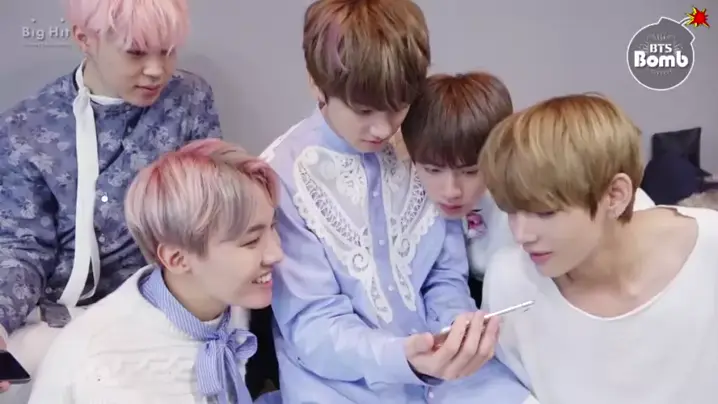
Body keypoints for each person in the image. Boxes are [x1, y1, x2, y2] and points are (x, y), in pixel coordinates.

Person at [261, 1, 535, 402]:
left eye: (399, 107)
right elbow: (312, 324)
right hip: (341, 386)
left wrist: (456, 333)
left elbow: (444, 274)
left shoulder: (419, 144)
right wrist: (403, 358)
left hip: (448, 374)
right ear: (316, 84)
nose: (383, 128)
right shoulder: (281, 175)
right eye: (364, 110)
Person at [0, 0, 223, 400]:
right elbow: (23, 246)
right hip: (55, 320)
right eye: (136, 52)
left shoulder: (189, 101)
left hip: (161, 311)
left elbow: (208, 216)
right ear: (84, 39)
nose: (156, 70)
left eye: (168, 51)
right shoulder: (26, 128)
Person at [480, 93, 718, 404]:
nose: (521, 235)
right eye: (510, 211)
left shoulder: (708, 248)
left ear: (615, 195)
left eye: (544, 212)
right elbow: (498, 384)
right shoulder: (510, 281)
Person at [28, 139, 283, 403]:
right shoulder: (102, 366)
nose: (276, 253)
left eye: (273, 227)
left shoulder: (238, 303)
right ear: (177, 259)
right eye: (251, 241)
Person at [399, 72, 655, 305]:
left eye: (470, 171)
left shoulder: (542, 184)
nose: (451, 191)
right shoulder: (407, 199)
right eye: (433, 170)